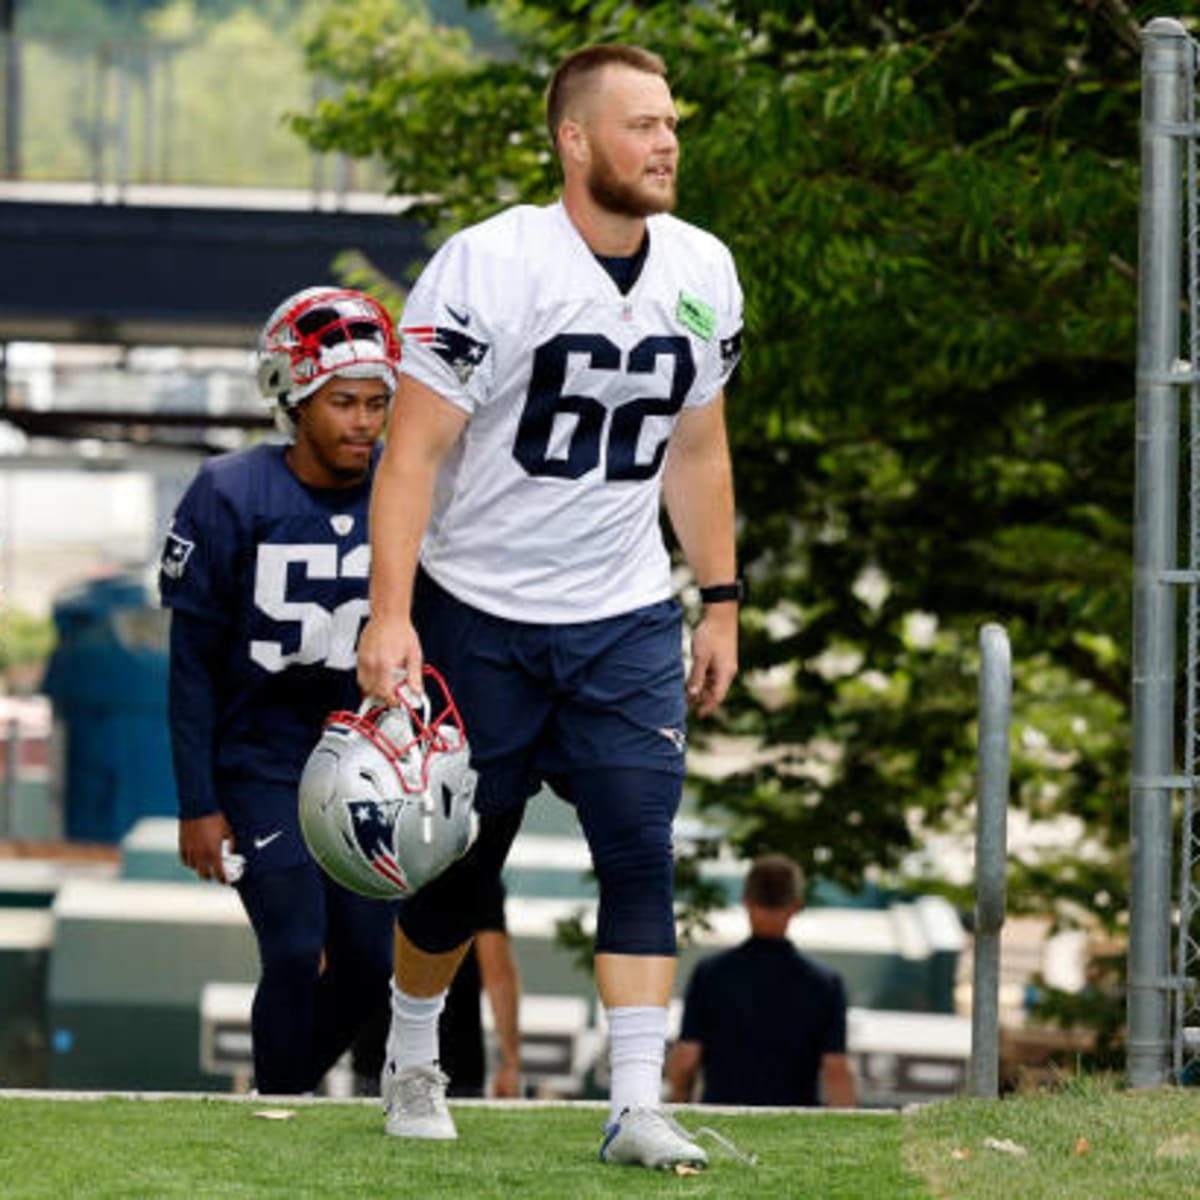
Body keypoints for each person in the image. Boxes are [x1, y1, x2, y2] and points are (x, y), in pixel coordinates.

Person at [356, 43, 744, 1170]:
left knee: (639, 846)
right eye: (641, 125)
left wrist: (718, 600)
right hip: (480, 607)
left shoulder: (703, 268)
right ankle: (415, 1051)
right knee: (459, 868)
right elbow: (412, 458)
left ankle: (633, 1104)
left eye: (671, 122)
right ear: (575, 142)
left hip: (622, 612)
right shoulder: (489, 266)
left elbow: (699, 448)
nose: (666, 142)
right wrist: (391, 614)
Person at [160, 286, 402, 1095]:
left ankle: (288, 1086)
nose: (363, 422)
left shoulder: (400, 494)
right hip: (259, 759)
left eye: (376, 402)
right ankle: (279, 1106)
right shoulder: (230, 493)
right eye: (342, 402)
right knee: (296, 947)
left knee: (371, 963)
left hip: (361, 760)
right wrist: (197, 800)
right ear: (292, 397)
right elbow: (190, 661)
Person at [666, 854, 858, 1108]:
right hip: (795, 1125)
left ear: (746, 901)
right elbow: (836, 1071)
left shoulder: (710, 974)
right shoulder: (825, 983)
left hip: (721, 1122)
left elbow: (687, 1057)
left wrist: (679, 1105)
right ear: (796, 905)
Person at [440, 878, 522, 1099]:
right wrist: (510, 1062)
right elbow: (498, 976)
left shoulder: (383, 864)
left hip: (380, 1049)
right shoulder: (476, 872)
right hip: (456, 1057)